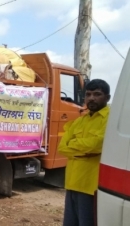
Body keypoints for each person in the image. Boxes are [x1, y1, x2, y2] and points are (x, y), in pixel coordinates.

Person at [58, 79, 111, 226]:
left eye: (97, 94)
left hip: (90, 186)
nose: (91, 98)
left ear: (107, 98)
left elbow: (98, 144)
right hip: (72, 183)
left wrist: (74, 145)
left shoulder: (109, 120)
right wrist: (85, 151)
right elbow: (62, 147)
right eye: (88, 94)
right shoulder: (80, 120)